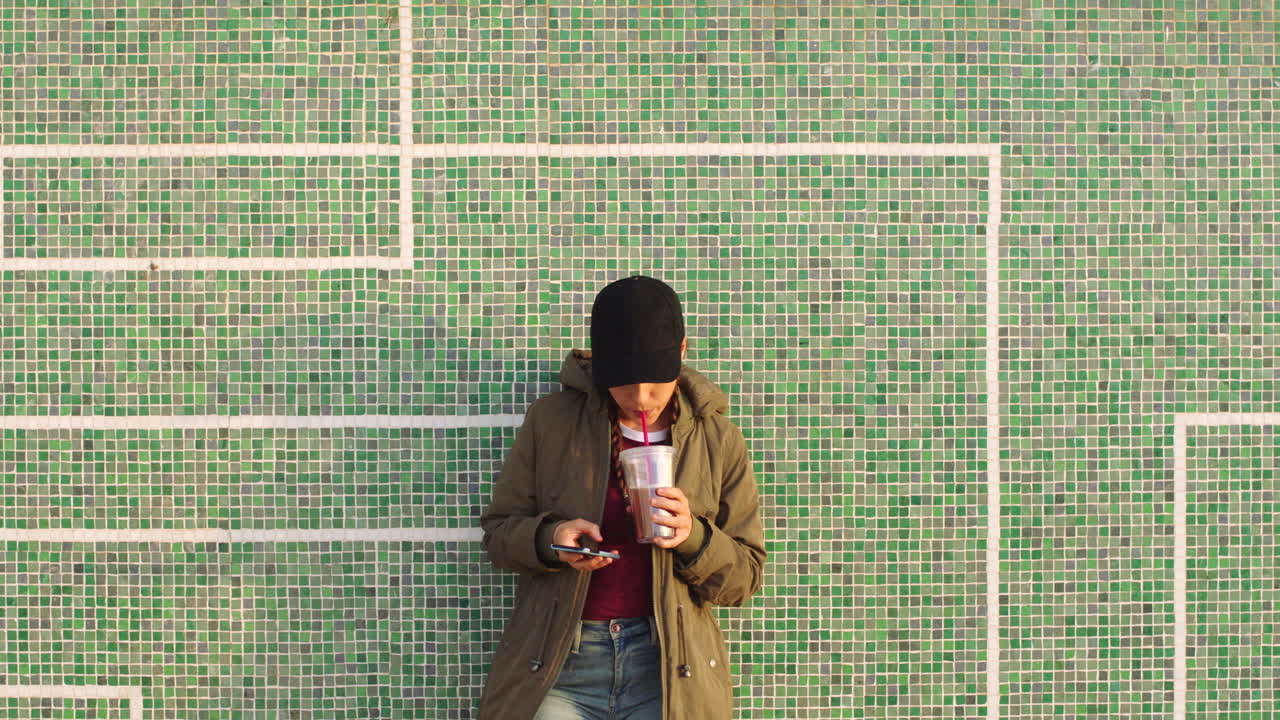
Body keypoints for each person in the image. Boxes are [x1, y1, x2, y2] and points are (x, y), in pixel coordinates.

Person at [477, 275, 767, 720]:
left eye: (654, 381)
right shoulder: (551, 421)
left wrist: (693, 537)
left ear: (681, 353)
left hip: (668, 669)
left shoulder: (717, 439)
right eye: (622, 382)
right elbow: (499, 535)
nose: (639, 398)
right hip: (562, 663)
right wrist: (551, 539)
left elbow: (744, 577)